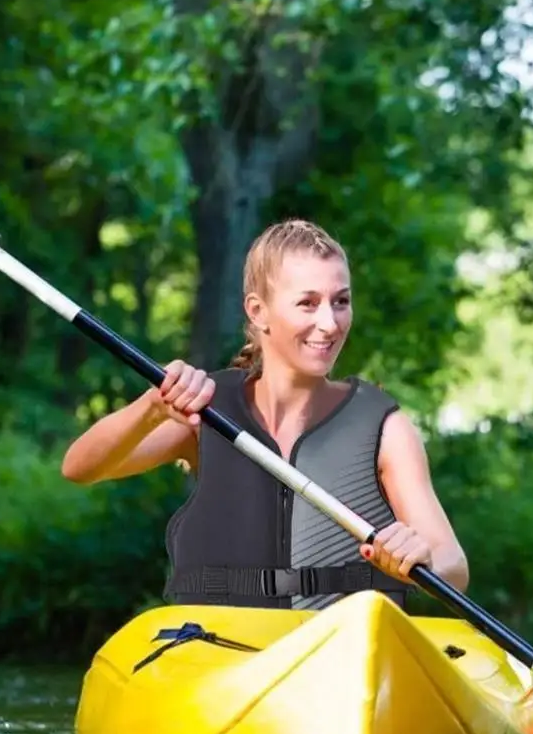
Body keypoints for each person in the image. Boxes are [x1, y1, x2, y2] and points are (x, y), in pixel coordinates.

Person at [61, 218, 469, 611]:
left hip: (340, 654)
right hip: (221, 645)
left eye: (340, 302)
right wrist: (150, 407)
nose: (329, 323)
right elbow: (81, 467)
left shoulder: (385, 429)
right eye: (307, 303)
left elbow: (454, 567)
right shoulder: (207, 412)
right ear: (257, 312)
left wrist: (424, 560)